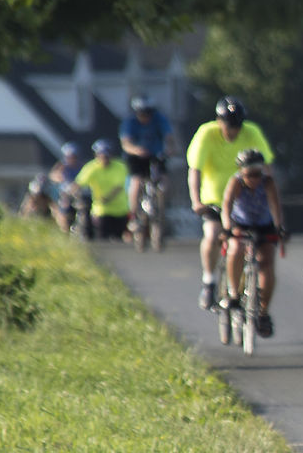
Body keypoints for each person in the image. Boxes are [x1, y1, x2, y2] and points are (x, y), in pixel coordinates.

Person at [186, 96, 274, 310]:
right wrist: (196, 200)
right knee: (213, 235)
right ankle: (209, 280)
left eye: (237, 125)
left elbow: (267, 166)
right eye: (228, 125)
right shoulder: (206, 134)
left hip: (244, 201)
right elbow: (195, 170)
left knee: (254, 243)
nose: (233, 130)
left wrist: (269, 197)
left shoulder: (251, 132)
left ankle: (247, 292)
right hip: (214, 199)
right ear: (219, 121)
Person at [219, 148, 286, 337]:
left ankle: (263, 312)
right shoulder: (236, 182)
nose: (254, 179)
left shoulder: (268, 182)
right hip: (241, 224)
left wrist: (279, 227)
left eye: (257, 174)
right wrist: (227, 228)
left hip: (264, 225)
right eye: (249, 175)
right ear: (241, 172)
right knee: (236, 248)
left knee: (267, 263)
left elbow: (275, 205)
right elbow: (227, 205)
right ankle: (234, 292)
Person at [119, 94, 177, 233]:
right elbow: (126, 143)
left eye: (148, 113)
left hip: (155, 155)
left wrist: (170, 149)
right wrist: (136, 150)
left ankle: (162, 209)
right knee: (137, 182)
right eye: (142, 113)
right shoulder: (130, 122)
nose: (145, 117)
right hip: (137, 157)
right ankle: (133, 216)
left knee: (164, 181)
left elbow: (169, 137)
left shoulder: (159, 119)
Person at [75, 139, 131, 240]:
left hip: (120, 210)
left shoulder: (120, 167)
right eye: (101, 155)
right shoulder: (91, 167)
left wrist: (107, 198)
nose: (104, 158)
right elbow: (78, 183)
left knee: (118, 239)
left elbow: (118, 187)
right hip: (102, 210)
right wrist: (73, 194)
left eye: (106, 155)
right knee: (102, 238)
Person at [49, 141, 85, 233]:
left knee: (83, 207)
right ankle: (64, 229)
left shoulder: (81, 167)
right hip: (65, 196)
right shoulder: (62, 166)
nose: (71, 159)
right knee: (63, 208)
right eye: (69, 157)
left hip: (78, 194)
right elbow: (53, 176)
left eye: (73, 157)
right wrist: (60, 177)